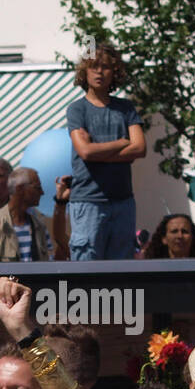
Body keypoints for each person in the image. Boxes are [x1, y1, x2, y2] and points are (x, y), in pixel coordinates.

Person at [66, 43, 147, 260]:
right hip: (88, 200)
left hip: (123, 200)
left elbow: (140, 148)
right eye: (94, 67)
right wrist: (121, 143)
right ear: (85, 71)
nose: (99, 72)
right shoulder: (77, 109)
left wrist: (98, 149)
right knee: (86, 270)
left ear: (115, 72)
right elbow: (85, 152)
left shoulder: (126, 108)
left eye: (106, 67)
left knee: (121, 270)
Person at [0, 166, 68, 262]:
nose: (41, 192)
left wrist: (61, 202)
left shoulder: (39, 227)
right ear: (20, 189)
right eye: (37, 187)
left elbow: (51, 263)